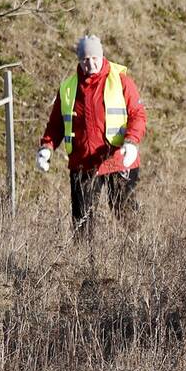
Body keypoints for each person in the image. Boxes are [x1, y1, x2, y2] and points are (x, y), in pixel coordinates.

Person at [37, 35, 147, 234]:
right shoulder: (68, 88)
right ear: (79, 60)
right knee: (82, 221)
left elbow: (138, 114)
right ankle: (83, 262)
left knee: (125, 212)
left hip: (117, 159)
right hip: (82, 162)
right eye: (85, 59)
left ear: (102, 55)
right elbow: (56, 124)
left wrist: (131, 141)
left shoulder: (120, 81)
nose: (91, 63)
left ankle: (143, 251)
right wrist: (47, 147)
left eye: (95, 57)